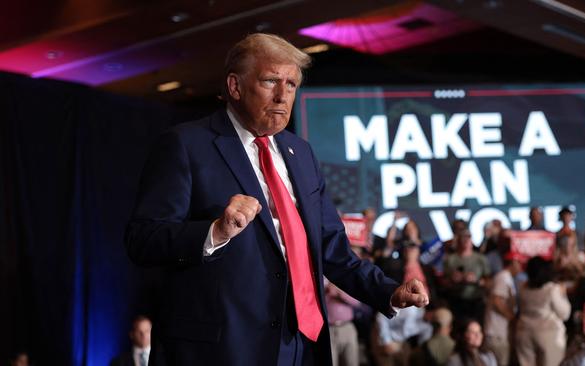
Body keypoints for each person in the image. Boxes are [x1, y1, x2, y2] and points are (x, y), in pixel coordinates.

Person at [124, 33, 428, 365]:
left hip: (302, 342)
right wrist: (215, 232)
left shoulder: (301, 153)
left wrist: (387, 291)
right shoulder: (186, 145)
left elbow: (331, 246)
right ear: (235, 87)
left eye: (292, 84)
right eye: (271, 81)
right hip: (224, 349)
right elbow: (144, 239)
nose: (283, 96)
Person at [516, 256, 571, 366]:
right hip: (548, 334)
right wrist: (563, 294)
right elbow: (565, 313)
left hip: (523, 333)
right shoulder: (552, 289)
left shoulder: (522, 288)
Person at [484, 252, 522, 366]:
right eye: (519, 263)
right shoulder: (503, 277)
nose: (521, 267)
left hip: (499, 333)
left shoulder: (507, 277)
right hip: (496, 333)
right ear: (513, 263)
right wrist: (512, 318)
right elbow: (497, 300)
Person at [324, 280, 361, 366]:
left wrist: (338, 292)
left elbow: (357, 302)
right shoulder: (320, 281)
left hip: (347, 327)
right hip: (328, 329)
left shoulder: (345, 279)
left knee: (351, 362)